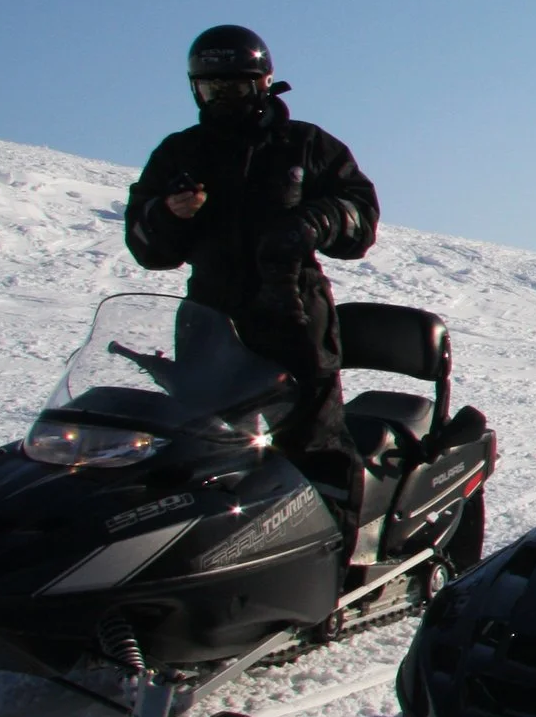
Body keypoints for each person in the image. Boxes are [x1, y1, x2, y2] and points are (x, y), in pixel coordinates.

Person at [124, 26, 379, 504]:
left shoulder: (306, 145)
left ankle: (339, 564)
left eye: (236, 87)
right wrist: (168, 214)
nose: (223, 98)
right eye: (211, 88)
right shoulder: (179, 152)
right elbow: (147, 248)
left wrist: (315, 221)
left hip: (296, 317)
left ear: (263, 83)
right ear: (195, 88)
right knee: (201, 452)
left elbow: (361, 218)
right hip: (212, 320)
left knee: (314, 451)